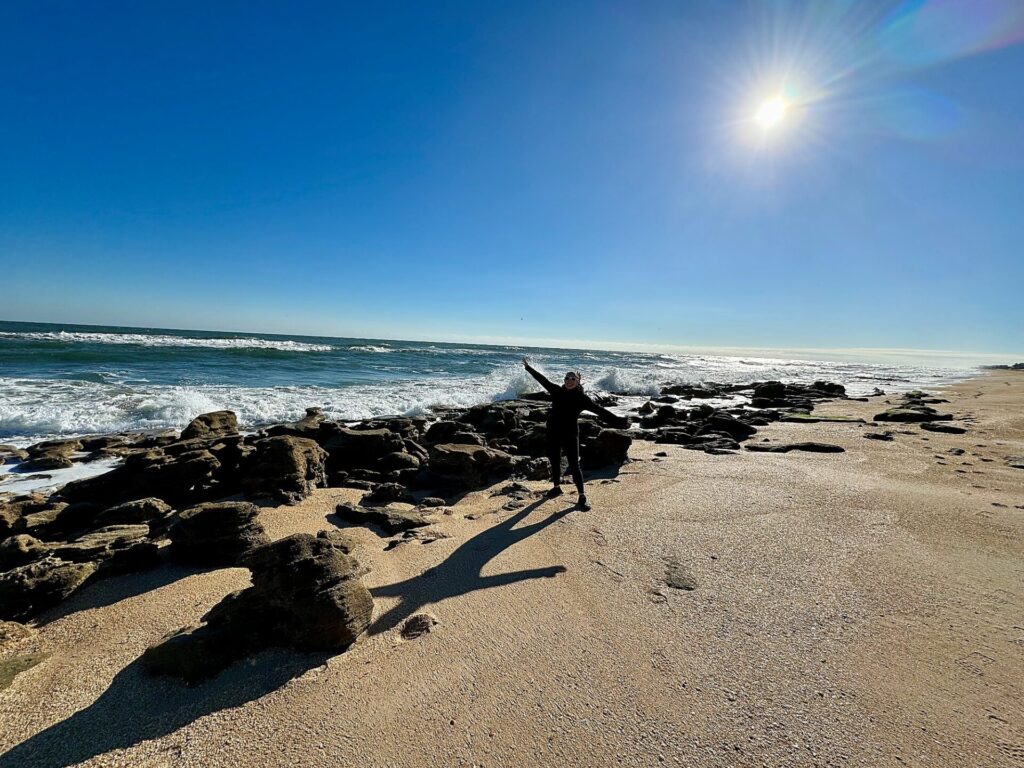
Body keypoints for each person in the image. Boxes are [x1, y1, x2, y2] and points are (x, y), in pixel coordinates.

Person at [522, 357, 629, 511]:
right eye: (567, 377)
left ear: (578, 381)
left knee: (574, 464)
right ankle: (557, 487)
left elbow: (600, 411)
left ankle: (581, 496)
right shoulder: (557, 391)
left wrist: (620, 421)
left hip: (570, 434)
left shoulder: (582, 399)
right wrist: (528, 368)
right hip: (553, 432)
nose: (569, 380)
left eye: (573, 378)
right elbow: (542, 379)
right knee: (555, 460)